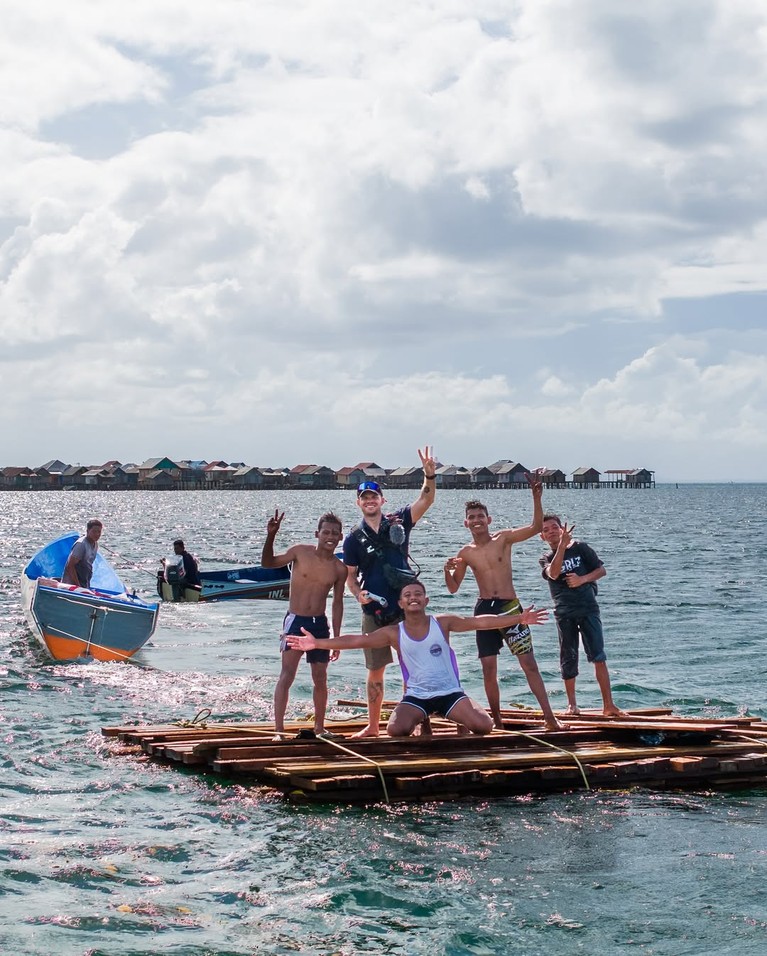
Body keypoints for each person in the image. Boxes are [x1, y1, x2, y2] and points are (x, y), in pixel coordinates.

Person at [287, 579, 550, 737]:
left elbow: (479, 622)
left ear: (425, 600)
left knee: (484, 726)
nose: (413, 598)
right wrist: (316, 643)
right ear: (401, 604)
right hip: (417, 696)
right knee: (395, 730)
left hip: (449, 692)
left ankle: (457, 712)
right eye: (407, 596)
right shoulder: (394, 632)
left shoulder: (442, 623)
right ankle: (424, 717)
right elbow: (358, 640)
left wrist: (519, 618)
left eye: (417, 595)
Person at [443, 478, 564, 731]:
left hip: (509, 607)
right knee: (488, 669)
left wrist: (536, 497)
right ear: (466, 522)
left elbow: (533, 528)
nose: (476, 520)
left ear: (489, 519)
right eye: (471, 517)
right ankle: (496, 720)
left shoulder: (503, 539)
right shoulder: (465, 552)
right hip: (484, 610)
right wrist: (446, 570)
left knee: (529, 664)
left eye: (480, 516)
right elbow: (454, 588)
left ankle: (550, 719)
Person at [342, 446, 437, 738]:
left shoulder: (400, 521)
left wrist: (429, 474)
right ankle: (372, 726)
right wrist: (359, 595)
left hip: (406, 608)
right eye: (364, 497)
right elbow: (349, 579)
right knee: (375, 670)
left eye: (374, 496)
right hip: (375, 611)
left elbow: (426, 499)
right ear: (358, 503)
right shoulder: (352, 539)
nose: (369, 501)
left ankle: (423, 723)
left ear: (382, 500)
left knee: (416, 666)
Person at [261, 510, 347, 739]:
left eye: (335, 533)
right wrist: (271, 536)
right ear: (317, 533)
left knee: (320, 678)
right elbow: (268, 563)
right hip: (296, 621)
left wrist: (336, 639)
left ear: (340, 538)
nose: (330, 536)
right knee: (287, 674)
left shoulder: (339, 569)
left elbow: (337, 604)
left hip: (319, 625)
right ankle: (278, 730)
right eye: (326, 532)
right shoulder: (300, 552)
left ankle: (320, 728)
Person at [539, 514, 622, 717]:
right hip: (564, 613)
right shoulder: (546, 558)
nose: (551, 531)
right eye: (546, 529)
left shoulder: (581, 548)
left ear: (562, 529)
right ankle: (572, 705)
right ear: (542, 536)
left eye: (554, 527)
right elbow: (553, 573)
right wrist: (561, 548)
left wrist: (582, 579)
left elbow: (601, 570)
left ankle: (608, 705)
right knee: (568, 658)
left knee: (598, 656)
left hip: (588, 609)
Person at [61, 519, 103, 588]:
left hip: (84, 583)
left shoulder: (95, 544)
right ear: (87, 531)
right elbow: (70, 566)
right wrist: (78, 586)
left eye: (99, 532)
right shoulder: (81, 544)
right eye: (94, 531)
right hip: (71, 585)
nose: (97, 534)